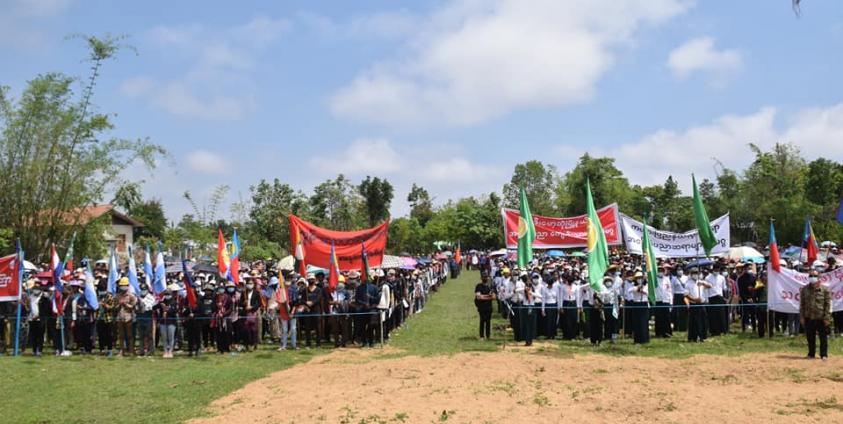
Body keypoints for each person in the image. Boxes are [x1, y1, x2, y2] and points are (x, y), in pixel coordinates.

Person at [800, 269, 831, 360]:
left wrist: (827, 317)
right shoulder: (804, 289)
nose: (812, 277)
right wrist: (801, 316)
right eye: (811, 276)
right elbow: (802, 304)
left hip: (821, 317)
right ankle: (811, 354)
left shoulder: (825, 289)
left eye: (814, 276)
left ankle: (823, 354)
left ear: (819, 277)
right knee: (810, 337)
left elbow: (828, 304)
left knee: (823, 337)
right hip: (808, 316)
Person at [27, 280, 51, 356]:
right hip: (31, 318)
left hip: (40, 319)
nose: (35, 290)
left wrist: (38, 315)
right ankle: (34, 350)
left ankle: (39, 350)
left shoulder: (44, 298)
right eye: (34, 289)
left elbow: (46, 309)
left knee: (40, 335)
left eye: (37, 289)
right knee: (33, 335)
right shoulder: (30, 297)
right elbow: (28, 307)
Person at [154, 287, 180, 358]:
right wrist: (159, 304)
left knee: (171, 337)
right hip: (163, 322)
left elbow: (176, 310)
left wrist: (167, 309)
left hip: (171, 322)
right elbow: (154, 307)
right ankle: (165, 351)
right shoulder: (162, 302)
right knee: (164, 337)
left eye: (168, 294)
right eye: (166, 294)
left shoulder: (174, 302)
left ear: (171, 294)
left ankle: (170, 351)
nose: (167, 295)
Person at [114, 278, 136, 356]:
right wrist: (119, 305)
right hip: (120, 316)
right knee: (121, 335)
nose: (123, 287)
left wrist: (126, 305)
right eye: (121, 285)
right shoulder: (117, 296)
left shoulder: (131, 295)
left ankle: (131, 350)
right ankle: (121, 350)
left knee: (130, 335)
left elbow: (133, 306)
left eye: (124, 285)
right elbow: (115, 307)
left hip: (129, 317)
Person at [685, 267, 707, 343]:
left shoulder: (700, 282)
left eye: (697, 273)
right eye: (694, 273)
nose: (696, 275)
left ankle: (702, 336)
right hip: (694, 304)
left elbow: (710, 286)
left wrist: (703, 283)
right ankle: (694, 337)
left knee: (702, 320)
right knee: (694, 322)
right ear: (691, 274)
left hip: (702, 304)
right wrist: (695, 299)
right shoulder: (688, 283)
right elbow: (686, 294)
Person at [627, 271, 650, 344]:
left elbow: (647, 292)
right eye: (638, 278)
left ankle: (645, 339)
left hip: (644, 303)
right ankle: (637, 339)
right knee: (637, 322)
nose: (639, 279)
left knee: (644, 322)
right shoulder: (633, 285)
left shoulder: (646, 285)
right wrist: (637, 288)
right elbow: (629, 290)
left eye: (641, 278)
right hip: (636, 303)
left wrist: (642, 289)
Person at [705, 264, 727, 336]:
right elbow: (706, 289)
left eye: (718, 270)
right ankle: (714, 331)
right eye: (715, 270)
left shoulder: (722, 278)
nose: (717, 271)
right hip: (712, 298)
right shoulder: (708, 278)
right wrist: (707, 299)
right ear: (713, 270)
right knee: (713, 316)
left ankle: (722, 330)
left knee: (721, 315)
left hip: (720, 297)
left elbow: (724, 288)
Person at [136, 283, 155, 356]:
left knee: (149, 335)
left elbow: (150, 307)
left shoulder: (151, 297)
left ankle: (150, 350)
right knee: (141, 336)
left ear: (147, 290)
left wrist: (142, 304)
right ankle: (141, 350)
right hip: (140, 317)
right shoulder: (138, 296)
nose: (143, 291)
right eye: (141, 289)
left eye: (144, 289)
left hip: (148, 318)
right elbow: (136, 307)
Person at [474, 272, 494, 340]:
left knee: (488, 321)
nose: (485, 278)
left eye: (486, 277)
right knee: (482, 321)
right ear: (481, 278)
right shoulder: (478, 286)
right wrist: (488, 296)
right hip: (481, 307)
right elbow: (478, 297)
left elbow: (494, 297)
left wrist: (483, 296)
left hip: (489, 307)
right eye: (484, 277)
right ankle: (481, 336)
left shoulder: (490, 286)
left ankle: (488, 336)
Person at [654, 266, 672, 338]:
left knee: (666, 317)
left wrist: (671, 301)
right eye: (659, 271)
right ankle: (659, 333)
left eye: (662, 271)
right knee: (658, 317)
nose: (660, 272)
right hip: (658, 300)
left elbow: (669, 290)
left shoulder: (667, 279)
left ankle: (667, 332)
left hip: (666, 300)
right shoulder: (654, 279)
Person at [540, 273, 559, 340]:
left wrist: (558, 307)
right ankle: (548, 334)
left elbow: (558, 298)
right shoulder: (544, 289)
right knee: (548, 321)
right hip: (547, 306)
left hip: (554, 305)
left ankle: (553, 334)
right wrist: (543, 309)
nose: (550, 286)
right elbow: (543, 300)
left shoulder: (556, 289)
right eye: (549, 284)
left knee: (553, 321)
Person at [519, 282, 537, 346]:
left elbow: (540, 296)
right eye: (527, 286)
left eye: (530, 286)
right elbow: (517, 290)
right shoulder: (523, 292)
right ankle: (527, 340)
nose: (528, 288)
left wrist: (531, 293)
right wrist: (524, 289)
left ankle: (530, 340)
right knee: (526, 325)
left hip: (532, 307)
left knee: (532, 325)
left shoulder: (533, 292)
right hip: (525, 308)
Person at [671, 267, 688, 332]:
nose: (680, 271)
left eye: (681, 269)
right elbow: (672, 289)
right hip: (677, 295)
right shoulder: (674, 278)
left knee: (684, 312)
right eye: (678, 270)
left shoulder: (686, 278)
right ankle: (676, 326)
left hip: (685, 295)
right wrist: (672, 297)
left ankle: (684, 327)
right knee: (676, 312)